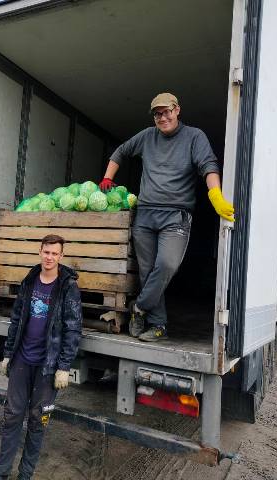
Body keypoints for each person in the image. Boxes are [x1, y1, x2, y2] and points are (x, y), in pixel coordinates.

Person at [99, 92, 235, 342]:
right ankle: (158, 324)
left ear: (177, 110)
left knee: (167, 265)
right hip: (145, 215)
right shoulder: (146, 137)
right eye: (157, 114)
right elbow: (121, 151)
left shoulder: (194, 137)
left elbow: (208, 166)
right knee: (148, 271)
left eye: (166, 112)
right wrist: (108, 177)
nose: (162, 118)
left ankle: (139, 308)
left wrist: (215, 195)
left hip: (176, 216)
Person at [0, 234, 82, 480]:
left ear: (61, 256)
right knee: (11, 417)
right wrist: (8, 354)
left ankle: (25, 475)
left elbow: (73, 329)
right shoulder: (30, 281)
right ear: (40, 252)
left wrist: (64, 366)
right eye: (46, 252)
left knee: (37, 421)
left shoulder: (68, 287)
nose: (49, 257)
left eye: (54, 253)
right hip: (22, 360)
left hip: (48, 366)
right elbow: (16, 319)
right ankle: (0, 474)